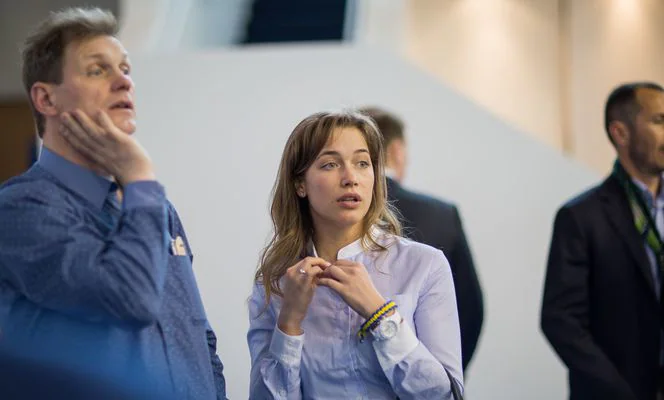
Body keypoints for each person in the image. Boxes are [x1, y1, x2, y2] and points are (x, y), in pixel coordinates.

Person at [0, 7, 226, 399]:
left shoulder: (155, 207)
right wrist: (137, 174)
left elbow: (197, 336)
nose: (124, 81)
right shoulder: (20, 208)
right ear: (46, 98)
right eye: (97, 70)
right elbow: (130, 301)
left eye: (125, 69)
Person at [247, 110, 463, 399]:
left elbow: (445, 395)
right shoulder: (274, 284)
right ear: (300, 184)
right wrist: (289, 323)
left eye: (362, 163)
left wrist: (381, 314)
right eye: (330, 164)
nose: (350, 178)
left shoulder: (425, 265)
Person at [541, 82, 664, 400]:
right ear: (621, 133)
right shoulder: (580, 217)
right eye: (659, 121)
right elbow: (560, 320)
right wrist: (618, 391)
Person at [359, 106, 484, 371]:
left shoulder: (329, 213)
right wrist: (446, 377)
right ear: (397, 151)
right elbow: (470, 309)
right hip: (427, 374)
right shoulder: (442, 214)